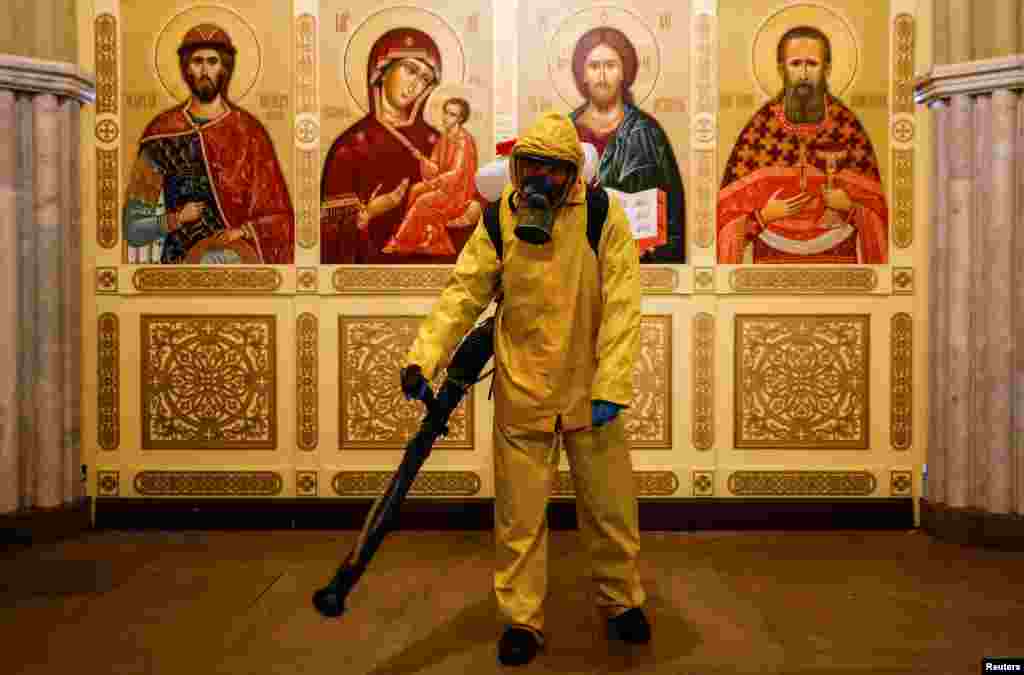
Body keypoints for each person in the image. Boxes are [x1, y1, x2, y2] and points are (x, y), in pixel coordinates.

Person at [400, 112, 650, 666]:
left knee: (610, 509)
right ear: (517, 168)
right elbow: (462, 294)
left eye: (552, 168)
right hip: (523, 388)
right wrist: (423, 358)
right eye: (530, 165)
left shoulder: (603, 215)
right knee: (519, 517)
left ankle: (623, 603)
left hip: (590, 392)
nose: (540, 177)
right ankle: (521, 621)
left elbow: (624, 306)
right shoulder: (500, 221)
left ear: (571, 173)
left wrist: (612, 381)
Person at [123, 23, 295, 264]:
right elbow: (134, 228)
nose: (205, 70)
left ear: (224, 68)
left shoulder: (249, 133)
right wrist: (178, 219)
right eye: (197, 61)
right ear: (186, 69)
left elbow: (280, 218)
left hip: (238, 261)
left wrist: (244, 231)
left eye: (212, 61)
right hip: (181, 264)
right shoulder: (161, 134)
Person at [717, 25, 889, 264]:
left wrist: (849, 208)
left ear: (827, 69)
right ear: (781, 69)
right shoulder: (760, 128)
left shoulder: (847, 126)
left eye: (813, 64)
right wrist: (764, 216)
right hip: (770, 263)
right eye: (796, 64)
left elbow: (878, 215)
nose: (805, 75)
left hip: (838, 262)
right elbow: (725, 219)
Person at [321, 28, 475, 264]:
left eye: (425, 78)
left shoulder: (436, 140)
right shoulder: (351, 146)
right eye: (411, 70)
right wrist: (368, 213)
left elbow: (460, 191)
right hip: (368, 276)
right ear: (381, 71)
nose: (416, 85)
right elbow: (330, 236)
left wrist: (471, 210)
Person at [568, 26, 685, 263]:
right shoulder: (564, 132)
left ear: (624, 72)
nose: (602, 75)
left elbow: (672, 212)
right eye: (594, 66)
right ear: (583, 75)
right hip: (576, 265)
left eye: (610, 65)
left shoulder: (648, 132)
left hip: (636, 262)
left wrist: (655, 250)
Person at [382, 97, 481, 255]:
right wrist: (422, 159)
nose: (446, 117)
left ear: (460, 119)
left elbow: (457, 173)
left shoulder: (463, 141)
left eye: (452, 114)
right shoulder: (444, 138)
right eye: (445, 112)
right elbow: (435, 167)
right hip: (442, 187)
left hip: (457, 193)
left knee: (422, 200)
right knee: (415, 189)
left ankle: (400, 241)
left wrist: (434, 183)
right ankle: (418, 238)